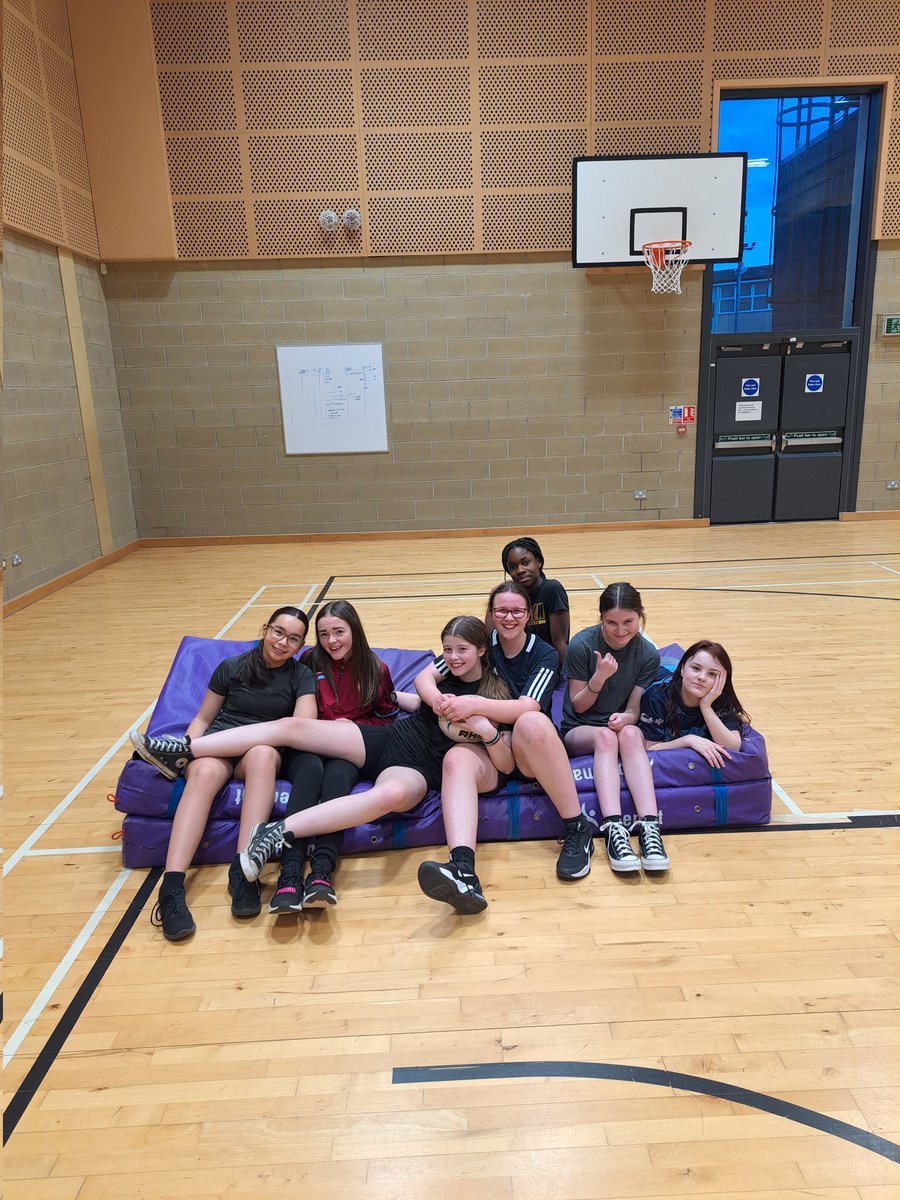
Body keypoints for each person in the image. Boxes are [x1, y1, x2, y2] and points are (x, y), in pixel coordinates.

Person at [131, 617, 515, 894]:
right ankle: (184, 749)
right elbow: (422, 683)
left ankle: (276, 832)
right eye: (448, 649)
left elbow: (505, 765)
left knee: (388, 797)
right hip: (391, 739)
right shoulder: (441, 670)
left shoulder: (498, 695)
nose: (453, 656)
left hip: (422, 770)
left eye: (462, 650)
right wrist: (419, 697)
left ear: (482, 650)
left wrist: (486, 730)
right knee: (293, 727)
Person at [133, 606, 316, 942]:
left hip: (258, 751)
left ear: (301, 645)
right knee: (202, 773)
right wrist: (191, 747)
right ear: (265, 629)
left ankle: (244, 871)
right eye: (278, 632)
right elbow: (204, 719)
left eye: (293, 639)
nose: (282, 642)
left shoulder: (300, 675)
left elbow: (302, 725)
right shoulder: (232, 667)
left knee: (262, 757)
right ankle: (171, 887)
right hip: (218, 745)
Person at [416, 581, 597, 915]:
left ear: (529, 614)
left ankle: (577, 827)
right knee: (456, 758)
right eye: (501, 610)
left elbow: (526, 707)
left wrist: (473, 704)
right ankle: (462, 871)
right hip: (489, 749)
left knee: (532, 720)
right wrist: (439, 702)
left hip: (528, 752)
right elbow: (424, 677)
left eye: (516, 611)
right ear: (491, 612)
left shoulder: (543, 652)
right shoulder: (481, 642)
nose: (508, 617)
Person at [270, 599, 412, 915]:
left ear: (354, 630)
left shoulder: (376, 668)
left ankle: (322, 871)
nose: (332, 641)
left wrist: (357, 725)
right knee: (309, 775)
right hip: (307, 745)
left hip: (347, 748)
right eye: (323, 634)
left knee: (337, 777)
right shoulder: (309, 660)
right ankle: (289, 874)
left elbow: (388, 717)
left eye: (339, 632)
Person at [561, 582, 666, 875]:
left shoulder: (647, 655)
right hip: (579, 728)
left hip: (617, 725)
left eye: (628, 622)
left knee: (632, 734)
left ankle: (649, 827)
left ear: (640, 616)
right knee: (607, 738)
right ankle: (614, 828)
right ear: (601, 618)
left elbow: (634, 709)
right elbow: (579, 706)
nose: (620, 631)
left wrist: (627, 718)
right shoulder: (582, 645)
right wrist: (600, 677)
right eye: (611, 623)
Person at [638, 640, 749, 764]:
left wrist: (706, 706)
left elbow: (733, 747)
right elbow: (649, 748)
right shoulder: (657, 697)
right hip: (664, 668)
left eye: (712, 674)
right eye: (696, 668)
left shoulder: (720, 699)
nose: (702, 677)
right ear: (682, 669)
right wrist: (688, 740)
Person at [495, 536, 570, 663]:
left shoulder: (552, 589)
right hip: (519, 665)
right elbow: (491, 637)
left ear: (538, 562)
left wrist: (567, 680)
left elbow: (559, 643)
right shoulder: (510, 597)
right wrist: (495, 595)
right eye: (513, 567)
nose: (520, 570)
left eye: (525, 563)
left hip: (546, 664)